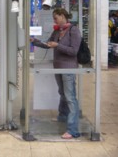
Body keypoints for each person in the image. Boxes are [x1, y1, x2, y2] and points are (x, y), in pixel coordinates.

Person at [31, 8, 80, 139]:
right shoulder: (58, 30)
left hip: (68, 68)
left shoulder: (73, 30)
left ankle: (73, 129)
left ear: (63, 16)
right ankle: (63, 116)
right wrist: (34, 41)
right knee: (63, 93)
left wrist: (57, 45)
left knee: (70, 97)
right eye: (53, 18)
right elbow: (48, 44)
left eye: (56, 18)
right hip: (58, 67)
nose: (54, 20)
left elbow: (74, 51)